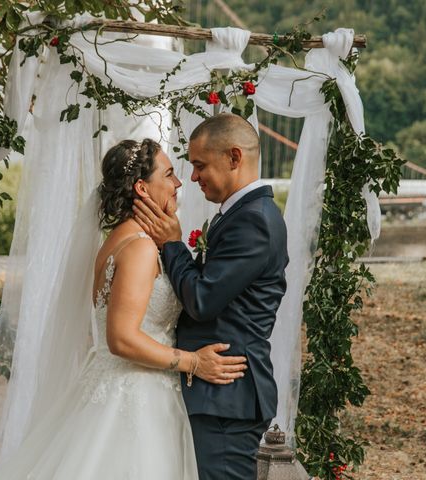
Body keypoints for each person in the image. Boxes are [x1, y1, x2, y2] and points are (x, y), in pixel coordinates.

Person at [0, 138, 247, 479]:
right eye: (169, 174)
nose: (179, 182)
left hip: (116, 386)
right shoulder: (140, 249)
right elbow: (121, 339)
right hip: (136, 396)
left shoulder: (116, 239)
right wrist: (194, 362)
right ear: (142, 187)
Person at [133, 113, 289, 480]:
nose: (193, 177)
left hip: (226, 396)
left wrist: (173, 244)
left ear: (234, 157)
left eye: (200, 165)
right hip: (214, 392)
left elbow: (202, 300)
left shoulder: (255, 221)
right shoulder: (238, 215)